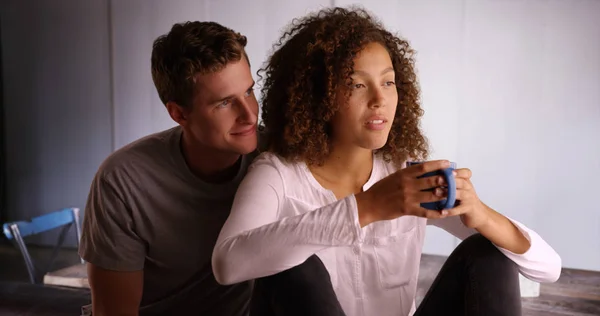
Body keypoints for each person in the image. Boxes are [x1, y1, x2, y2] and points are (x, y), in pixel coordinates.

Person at [212, 7, 562, 316]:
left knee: (489, 251)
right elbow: (227, 264)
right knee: (293, 267)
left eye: (389, 82)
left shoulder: (403, 173)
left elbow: (550, 268)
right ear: (317, 94)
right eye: (357, 85)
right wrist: (368, 207)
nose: (380, 99)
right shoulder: (278, 175)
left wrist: (481, 214)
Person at [79, 21, 259, 316]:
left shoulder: (276, 154)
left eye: (249, 91)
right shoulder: (124, 181)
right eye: (225, 103)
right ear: (179, 113)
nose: (249, 114)